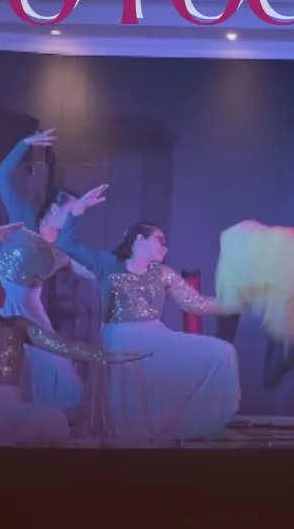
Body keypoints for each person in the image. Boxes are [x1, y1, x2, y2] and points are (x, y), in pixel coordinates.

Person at [54, 186, 242, 442]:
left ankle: (206, 422)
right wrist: (78, 210)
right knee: (127, 353)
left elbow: (196, 303)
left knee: (222, 351)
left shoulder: (162, 273)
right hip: (119, 337)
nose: (165, 246)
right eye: (160, 239)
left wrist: (236, 302)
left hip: (155, 335)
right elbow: (66, 244)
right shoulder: (108, 264)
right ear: (140, 241)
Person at [0, 222, 145, 447]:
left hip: (7, 407)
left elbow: (67, 347)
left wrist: (113, 356)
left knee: (54, 420)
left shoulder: (18, 326)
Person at [0, 128, 93, 412]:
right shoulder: (23, 218)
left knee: (58, 368)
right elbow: (0, 177)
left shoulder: (63, 247)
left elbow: (86, 269)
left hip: (31, 307)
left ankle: (62, 417)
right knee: (8, 371)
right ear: (55, 209)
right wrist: (24, 144)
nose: (74, 217)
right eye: (71, 211)